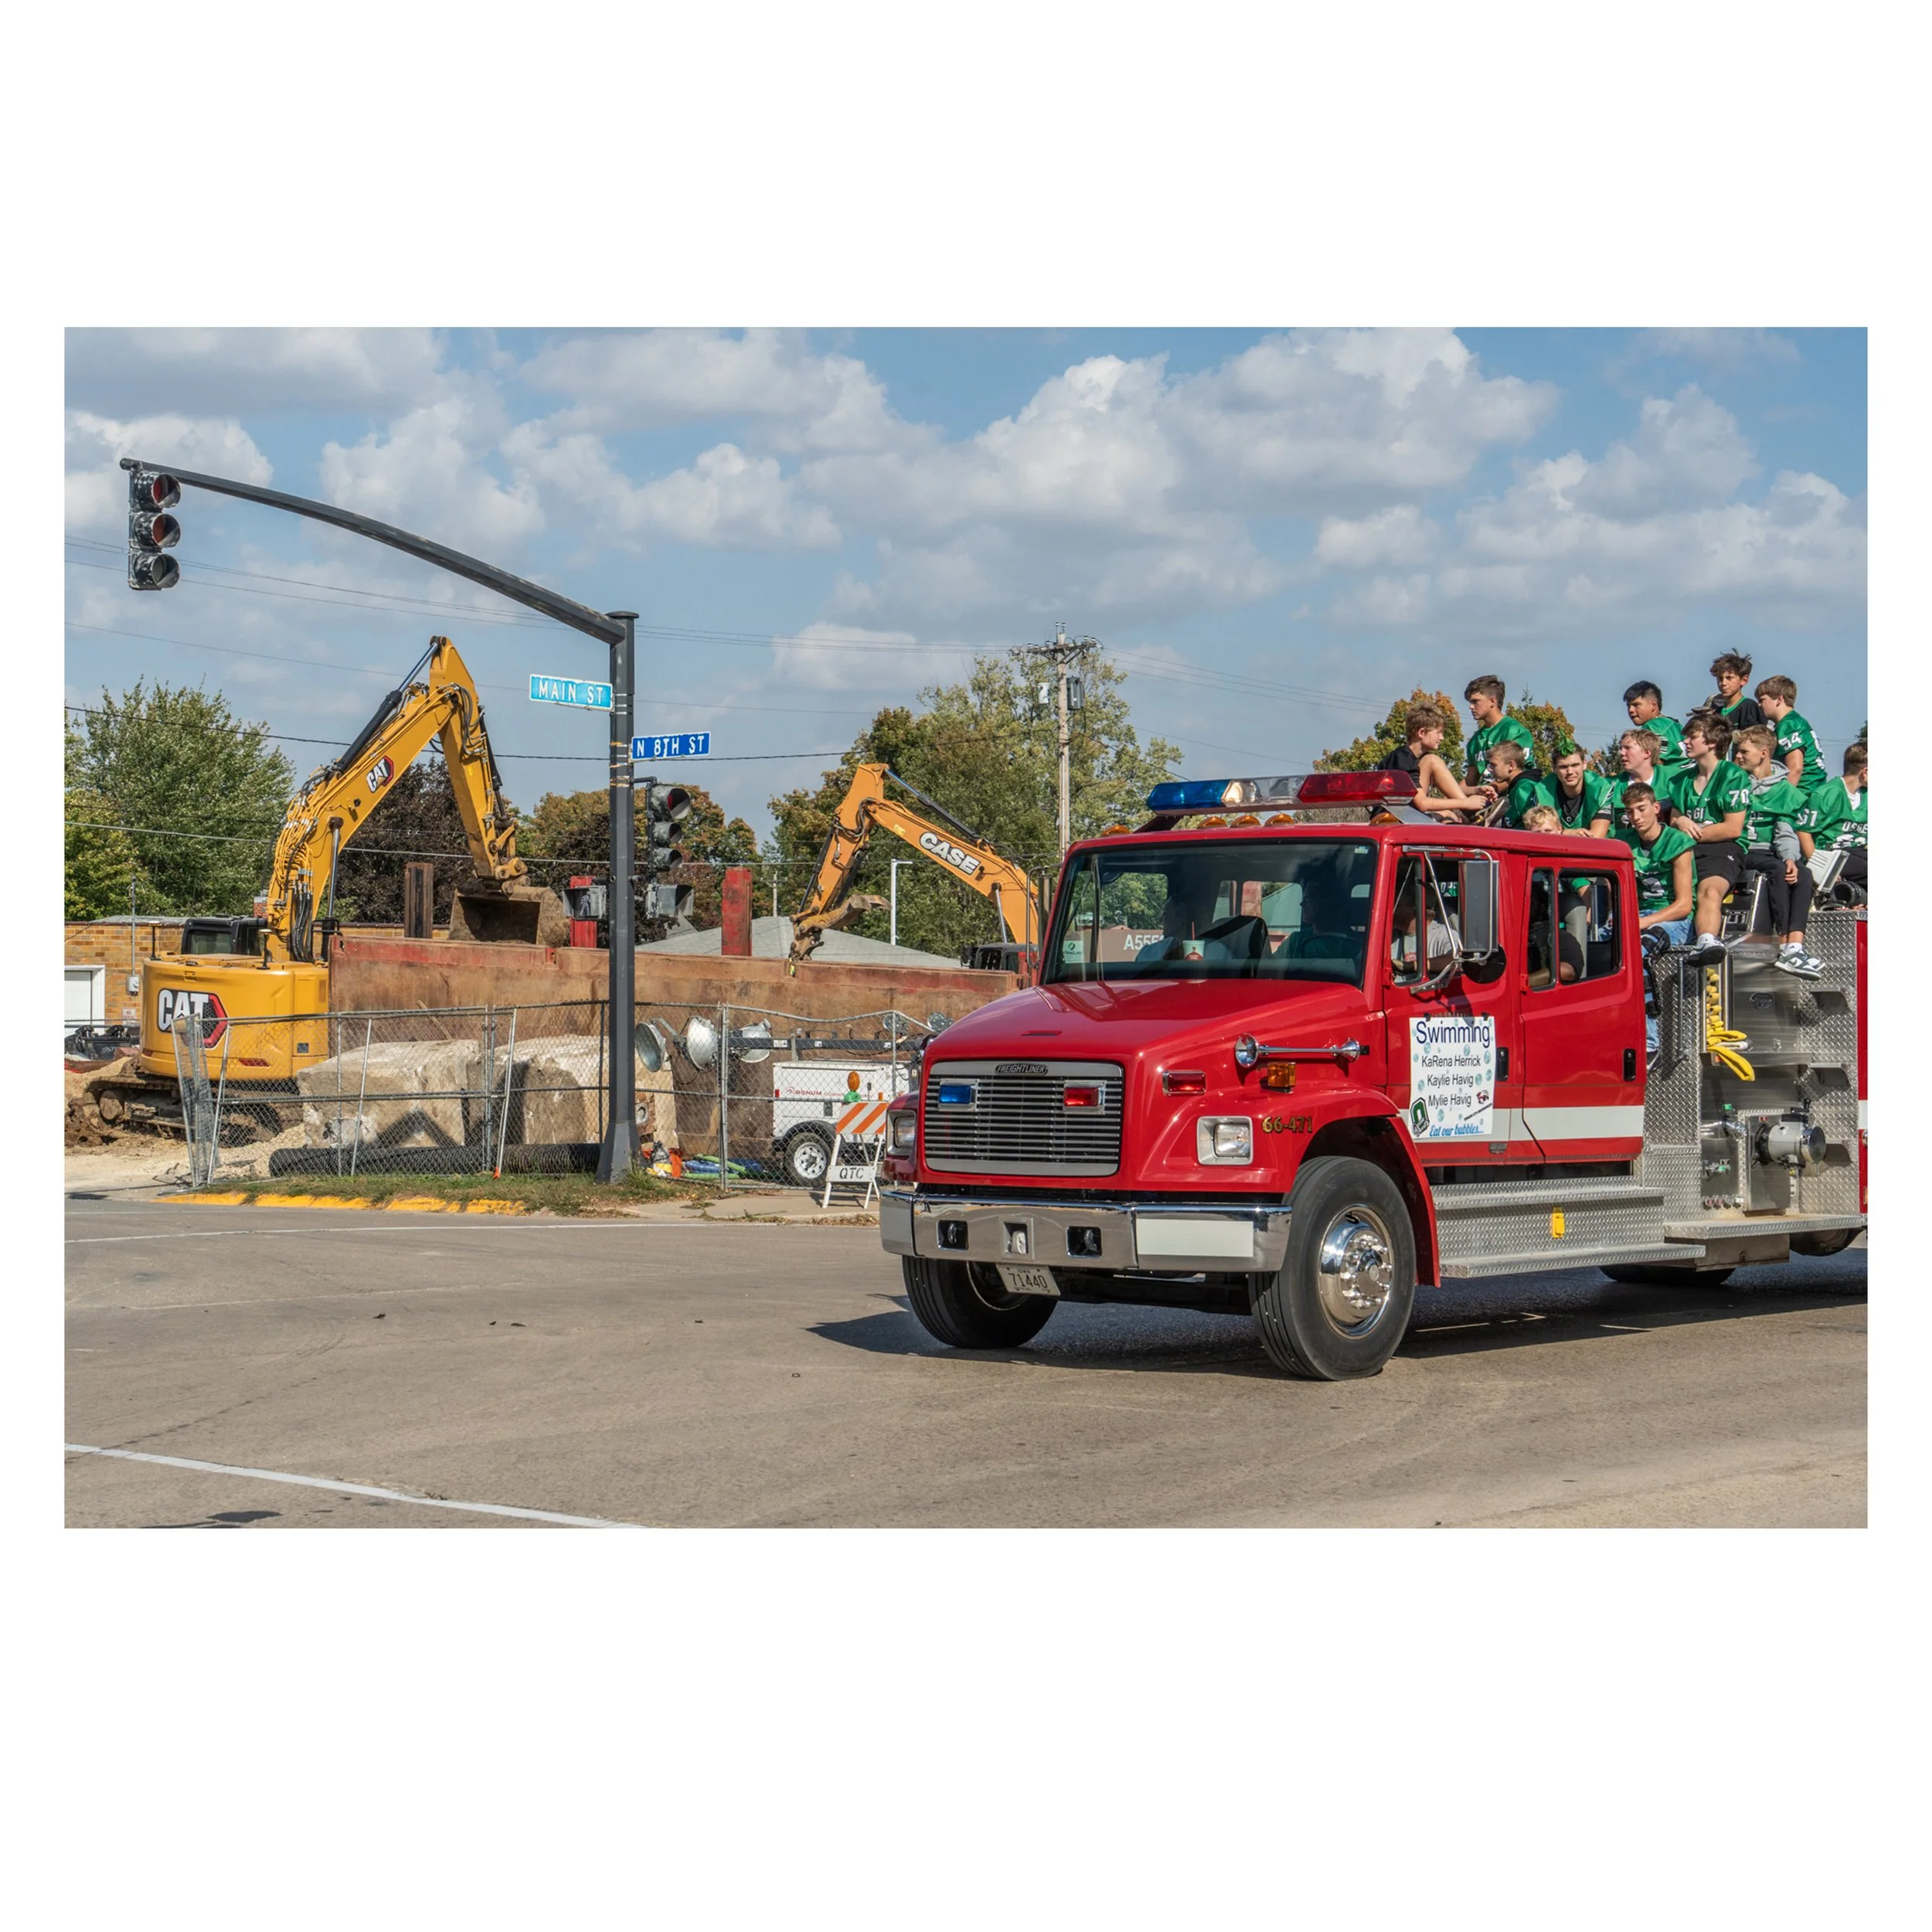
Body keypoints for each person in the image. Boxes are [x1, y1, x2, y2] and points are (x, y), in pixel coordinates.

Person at [1733, 724, 1821, 976]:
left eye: (1743, 752)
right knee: (1777, 869)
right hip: (1742, 848)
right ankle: (1783, 944)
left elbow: (1785, 830)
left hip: (1769, 852)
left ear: (1763, 753)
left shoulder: (1784, 790)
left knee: (1802, 873)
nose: (1737, 756)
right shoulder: (1735, 782)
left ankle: (1795, 946)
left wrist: (1792, 858)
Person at [1620, 782, 1697, 1055]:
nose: (1636, 817)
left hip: (1672, 920)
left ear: (1655, 808)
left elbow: (1684, 905)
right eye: (1630, 812)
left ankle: (1650, 1043)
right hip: (1633, 915)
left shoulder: (1678, 842)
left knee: (1637, 951)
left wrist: (1641, 923)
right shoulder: (1623, 841)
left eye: (1641, 809)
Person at [1673, 711, 1753, 964]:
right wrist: (1680, 820)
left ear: (1711, 743)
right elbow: (1674, 816)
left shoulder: (1733, 775)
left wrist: (1691, 834)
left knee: (1709, 889)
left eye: (1692, 737)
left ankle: (1707, 940)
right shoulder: (1681, 779)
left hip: (1723, 848)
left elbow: (1732, 828)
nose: (1685, 742)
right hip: (1688, 848)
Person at [1377, 701, 1483, 818]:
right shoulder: (1403, 758)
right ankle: (1475, 816)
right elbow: (1422, 803)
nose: (1442, 738)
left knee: (1449, 817)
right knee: (1432, 761)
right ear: (1422, 732)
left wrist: (1477, 791)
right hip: (1390, 818)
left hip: (1405, 815)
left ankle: (1475, 816)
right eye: (1438, 733)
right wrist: (1466, 803)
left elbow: (1449, 790)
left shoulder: (1419, 759)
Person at [1796, 741, 1868, 896]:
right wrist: (1821, 869)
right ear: (1865, 772)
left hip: (1859, 852)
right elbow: (1803, 831)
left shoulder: (1866, 796)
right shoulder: (1826, 794)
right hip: (1833, 854)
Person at [1589, 728, 1677, 839]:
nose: (1621, 753)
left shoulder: (1674, 778)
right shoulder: (1610, 786)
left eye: (1628, 748)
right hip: (1625, 846)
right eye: (1621, 748)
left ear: (1647, 753)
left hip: (1665, 845)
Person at [1753, 675, 1828, 794]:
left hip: (1804, 790)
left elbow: (1795, 768)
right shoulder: (1795, 721)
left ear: (1779, 699)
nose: (1759, 705)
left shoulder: (1789, 725)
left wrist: (1782, 799)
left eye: (1762, 700)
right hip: (1812, 789)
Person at [1461, 675, 1538, 789]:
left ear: (1492, 701)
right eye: (1470, 702)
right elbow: (1470, 781)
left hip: (1514, 797)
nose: (1471, 707)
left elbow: (1519, 775)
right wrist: (1444, 802)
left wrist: (1487, 791)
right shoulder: (1475, 741)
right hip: (1485, 797)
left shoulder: (1516, 732)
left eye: (1475, 701)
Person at [1544, 739, 1614, 834]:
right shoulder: (1542, 791)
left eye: (1575, 765)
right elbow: (1541, 834)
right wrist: (1569, 833)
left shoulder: (1601, 789)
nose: (1570, 772)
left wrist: (1561, 833)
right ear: (1554, 768)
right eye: (1563, 767)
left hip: (1598, 848)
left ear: (1584, 764)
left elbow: (1596, 837)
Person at [1701, 651, 1765, 750]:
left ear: (1744, 680)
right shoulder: (1715, 710)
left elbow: (1757, 742)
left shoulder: (1749, 707)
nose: (1723, 683)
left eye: (1729, 678)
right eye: (1720, 679)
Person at [1481, 739, 1548, 825]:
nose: (1489, 769)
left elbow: (1534, 825)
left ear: (1511, 766)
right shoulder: (1518, 786)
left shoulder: (1524, 788)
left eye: (1494, 765)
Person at [1624, 681, 1687, 770]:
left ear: (1653, 705)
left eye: (1636, 705)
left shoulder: (1653, 727)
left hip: (1674, 780)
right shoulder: (1674, 724)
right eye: (1628, 706)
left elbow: (1656, 763)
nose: (1631, 710)